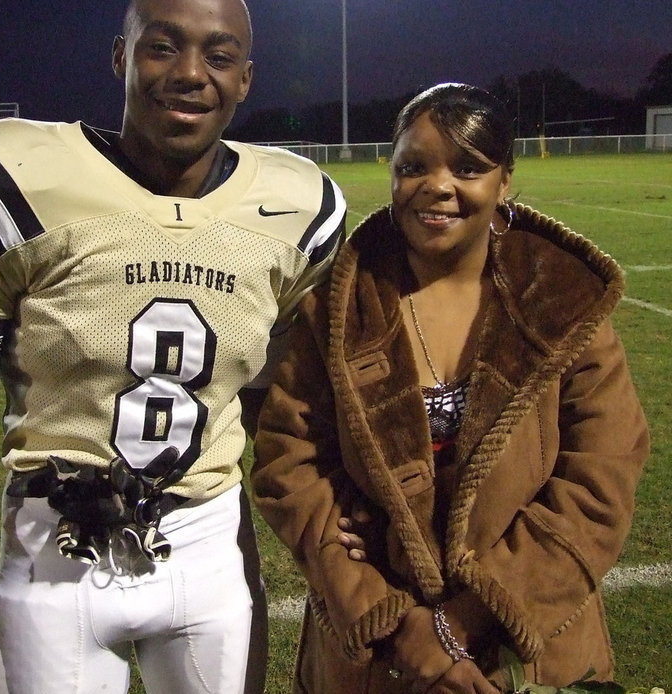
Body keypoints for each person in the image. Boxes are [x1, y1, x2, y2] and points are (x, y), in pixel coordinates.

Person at [0, 0, 345, 694]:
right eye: (162, 47)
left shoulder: (297, 209)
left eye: (219, 55)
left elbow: (271, 406)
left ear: (245, 79)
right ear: (121, 56)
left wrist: (337, 530)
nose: (191, 73)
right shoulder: (12, 186)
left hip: (212, 552)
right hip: (56, 554)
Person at [251, 83, 649, 692]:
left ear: (505, 181)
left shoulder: (562, 302)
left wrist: (462, 623)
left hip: (523, 651)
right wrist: (385, 614)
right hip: (375, 655)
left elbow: (602, 476)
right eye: (413, 166)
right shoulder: (336, 310)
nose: (438, 186)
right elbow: (290, 460)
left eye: (467, 167)